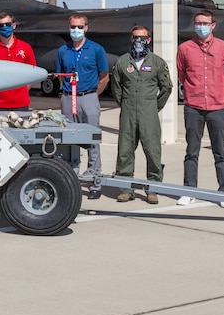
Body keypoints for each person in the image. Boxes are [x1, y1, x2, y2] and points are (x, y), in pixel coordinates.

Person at [176, 9, 224, 208]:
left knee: (220, 151)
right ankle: (189, 191)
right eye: (198, 23)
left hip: (217, 106)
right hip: (193, 106)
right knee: (192, 151)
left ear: (213, 25)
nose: (201, 26)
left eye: (205, 23)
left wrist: (217, 89)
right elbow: (182, 74)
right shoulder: (185, 48)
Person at [111, 25, 173, 203]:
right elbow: (116, 88)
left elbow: (167, 88)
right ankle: (125, 188)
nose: (139, 41)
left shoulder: (158, 62)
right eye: (136, 37)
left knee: (152, 150)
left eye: (143, 37)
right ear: (131, 39)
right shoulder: (122, 62)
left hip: (149, 112)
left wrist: (154, 106)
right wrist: (125, 104)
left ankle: (152, 189)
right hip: (128, 111)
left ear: (149, 40)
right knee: (125, 151)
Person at [0, 11, 36, 198]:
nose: (4, 28)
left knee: (21, 145)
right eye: (0, 25)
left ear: (14, 25)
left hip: (20, 106)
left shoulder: (25, 48)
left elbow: (32, 73)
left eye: (7, 24)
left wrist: (20, 92)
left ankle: (20, 184)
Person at [55, 14, 109, 199]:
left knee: (92, 139)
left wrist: (92, 95)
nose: (75, 30)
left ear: (86, 28)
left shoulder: (96, 49)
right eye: (73, 27)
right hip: (69, 98)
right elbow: (62, 74)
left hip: (89, 97)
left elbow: (104, 76)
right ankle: (72, 180)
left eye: (79, 27)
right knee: (69, 140)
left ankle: (95, 180)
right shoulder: (63, 50)